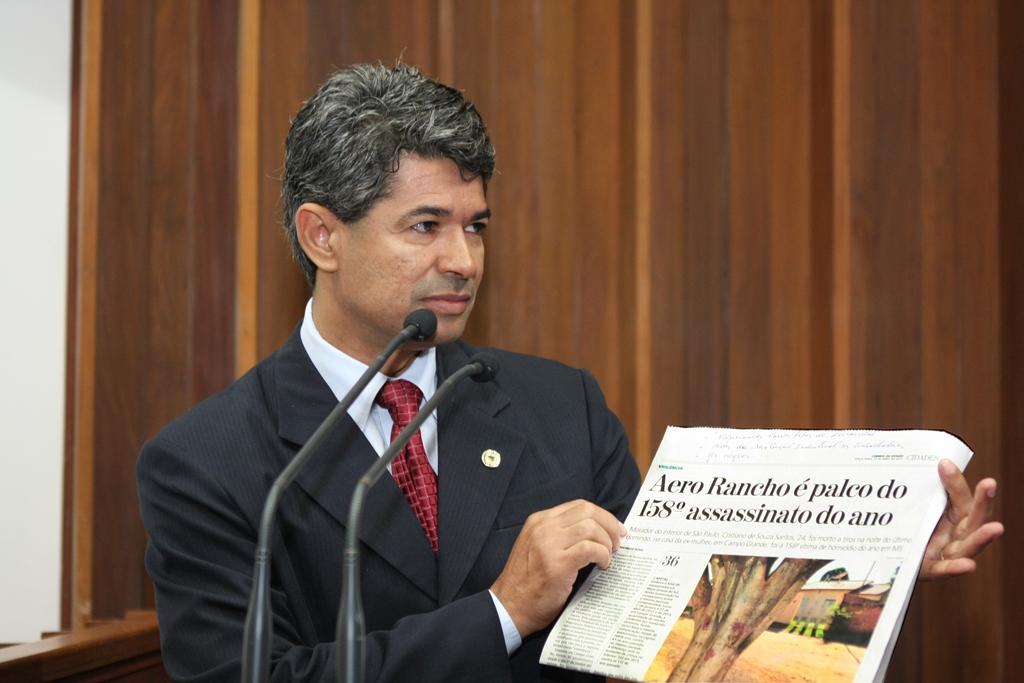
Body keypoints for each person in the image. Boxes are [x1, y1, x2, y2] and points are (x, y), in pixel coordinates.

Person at [137, 64, 1002, 683]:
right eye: (425, 225)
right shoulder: (210, 461)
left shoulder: (559, 405)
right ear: (322, 235)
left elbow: (668, 626)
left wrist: (865, 566)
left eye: (476, 226)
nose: (463, 260)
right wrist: (503, 611)